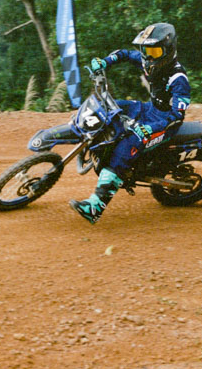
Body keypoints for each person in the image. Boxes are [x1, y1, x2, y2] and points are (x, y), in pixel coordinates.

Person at [69, 22, 191, 224]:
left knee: (125, 147)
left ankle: (95, 207)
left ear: (168, 50)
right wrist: (105, 62)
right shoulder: (149, 61)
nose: (148, 56)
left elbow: (177, 115)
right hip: (149, 109)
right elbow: (124, 54)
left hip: (163, 123)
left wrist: (150, 128)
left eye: (154, 51)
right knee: (111, 108)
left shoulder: (178, 78)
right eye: (146, 50)